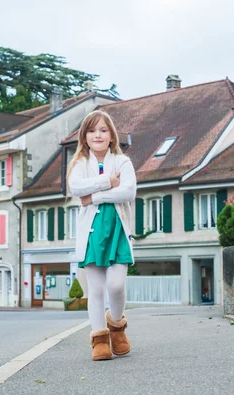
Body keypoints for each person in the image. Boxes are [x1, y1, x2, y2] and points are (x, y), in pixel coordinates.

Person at [67, 110, 137, 361]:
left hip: (117, 231)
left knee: (116, 286)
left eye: (103, 130)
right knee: (96, 290)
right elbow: (75, 187)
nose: (98, 134)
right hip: (92, 234)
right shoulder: (78, 164)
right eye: (92, 130)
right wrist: (107, 181)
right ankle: (99, 338)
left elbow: (128, 192)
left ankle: (116, 326)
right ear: (85, 136)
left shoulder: (122, 161)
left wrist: (94, 196)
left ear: (111, 136)